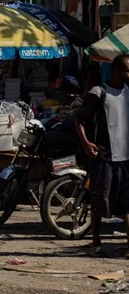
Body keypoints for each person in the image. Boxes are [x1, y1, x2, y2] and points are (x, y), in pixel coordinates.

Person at [77, 53, 129, 257]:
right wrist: (86, 143)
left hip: (126, 158)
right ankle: (95, 242)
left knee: (127, 205)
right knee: (99, 202)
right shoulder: (99, 92)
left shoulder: (128, 92)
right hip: (105, 156)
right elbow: (79, 119)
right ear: (116, 71)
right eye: (126, 70)